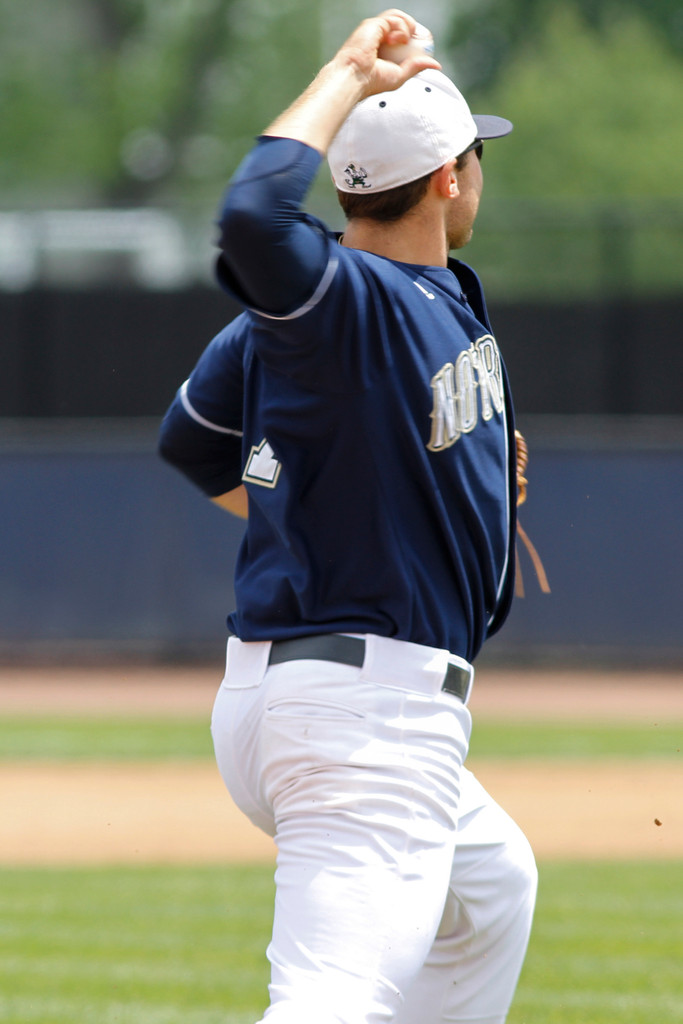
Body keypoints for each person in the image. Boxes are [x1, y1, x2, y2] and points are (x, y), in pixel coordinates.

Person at [159, 10, 537, 1023]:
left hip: (313, 695)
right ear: (450, 177)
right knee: (330, 1003)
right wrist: (344, 74)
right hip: (360, 720)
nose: (479, 171)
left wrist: (359, 499)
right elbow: (249, 220)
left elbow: (193, 441)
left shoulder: (417, 295)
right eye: (473, 155)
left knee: (492, 887)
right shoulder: (335, 299)